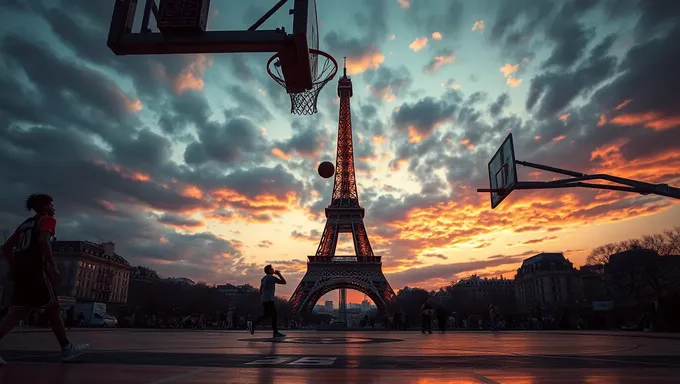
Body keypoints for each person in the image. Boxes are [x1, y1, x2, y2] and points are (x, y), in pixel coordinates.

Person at [0, 194, 89, 365]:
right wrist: (52, 265)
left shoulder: (25, 224)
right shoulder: (47, 220)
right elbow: (43, 241)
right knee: (53, 307)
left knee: (18, 312)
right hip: (35, 270)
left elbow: (5, 248)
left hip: (22, 272)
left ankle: (66, 347)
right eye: (52, 205)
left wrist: (14, 266)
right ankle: (66, 348)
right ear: (45, 206)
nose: (54, 208)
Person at [248, 265, 286, 338]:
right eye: (272, 269)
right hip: (269, 299)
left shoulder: (263, 279)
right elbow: (284, 282)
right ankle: (253, 323)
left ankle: (274, 332)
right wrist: (279, 274)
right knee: (272, 314)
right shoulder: (271, 278)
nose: (273, 269)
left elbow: (261, 290)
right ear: (269, 270)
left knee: (269, 314)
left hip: (264, 299)